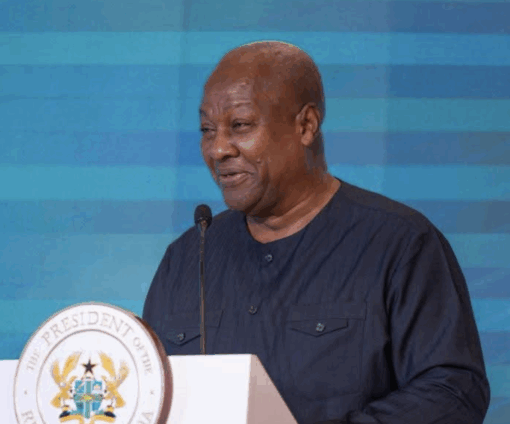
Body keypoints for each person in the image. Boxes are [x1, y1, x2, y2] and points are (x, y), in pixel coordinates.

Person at [142, 41, 490, 424]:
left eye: (240, 125)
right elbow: (146, 396)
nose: (218, 149)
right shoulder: (187, 257)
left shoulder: (400, 243)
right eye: (207, 130)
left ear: (305, 125)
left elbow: (451, 391)